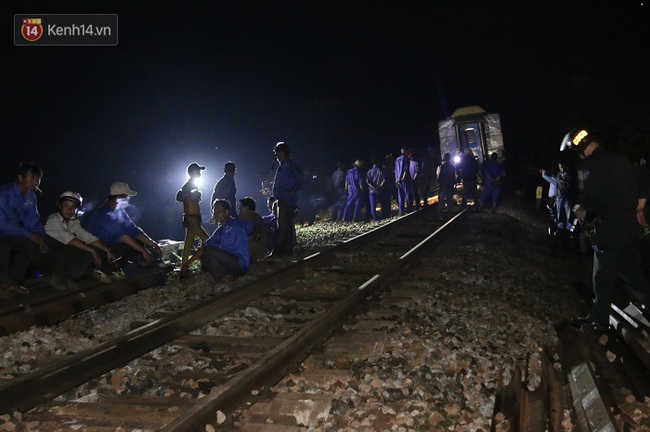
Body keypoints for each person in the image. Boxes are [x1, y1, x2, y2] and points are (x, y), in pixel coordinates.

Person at [568, 129, 649, 331]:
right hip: (631, 228)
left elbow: (588, 201)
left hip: (610, 230)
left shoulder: (586, 166)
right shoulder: (622, 160)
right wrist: (639, 208)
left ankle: (598, 318)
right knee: (631, 273)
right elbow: (643, 183)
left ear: (581, 150)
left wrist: (579, 209)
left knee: (601, 275)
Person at [33, 192, 116, 289]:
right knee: (76, 247)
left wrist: (106, 250)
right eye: (66, 206)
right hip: (44, 259)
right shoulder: (53, 220)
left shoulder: (73, 222)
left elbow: (87, 237)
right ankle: (54, 277)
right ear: (60, 206)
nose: (69, 209)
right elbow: (68, 239)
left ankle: (67, 277)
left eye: (73, 207)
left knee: (86, 247)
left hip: (57, 256)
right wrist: (92, 251)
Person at [86, 182, 163, 274]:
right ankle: (104, 270)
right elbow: (122, 236)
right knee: (133, 246)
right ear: (118, 197)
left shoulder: (119, 211)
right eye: (126, 197)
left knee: (137, 243)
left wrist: (153, 244)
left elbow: (133, 229)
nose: (128, 199)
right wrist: (144, 251)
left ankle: (142, 266)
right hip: (98, 249)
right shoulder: (104, 213)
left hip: (111, 246)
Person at [0, 163, 48, 296]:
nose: (36, 182)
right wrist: (29, 234)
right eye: (31, 178)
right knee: (3, 247)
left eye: (38, 178)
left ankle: (11, 281)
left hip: (8, 233)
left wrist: (40, 238)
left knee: (28, 245)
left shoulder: (30, 197)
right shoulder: (4, 193)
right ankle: (2, 285)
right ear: (20, 178)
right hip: (3, 230)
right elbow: (2, 223)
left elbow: (32, 221)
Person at [179, 199, 256, 282]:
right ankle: (227, 276)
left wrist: (257, 232)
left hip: (240, 264)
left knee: (208, 250)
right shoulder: (219, 232)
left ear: (226, 212)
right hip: (229, 263)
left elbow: (254, 225)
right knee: (204, 257)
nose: (215, 214)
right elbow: (205, 247)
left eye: (218, 211)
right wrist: (187, 264)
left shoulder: (236, 223)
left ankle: (225, 276)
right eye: (214, 211)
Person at [271, 142, 304, 256]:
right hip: (283, 199)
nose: (278, 157)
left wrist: (293, 189)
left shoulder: (290, 166)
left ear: (285, 153)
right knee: (288, 224)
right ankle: (288, 249)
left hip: (287, 200)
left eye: (279, 154)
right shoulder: (284, 166)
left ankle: (278, 249)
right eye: (277, 154)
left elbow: (300, 179)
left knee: (283, 224)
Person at [176, 162, 209, 268]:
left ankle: (184, 268)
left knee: (188, 245)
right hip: (192, 218)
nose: (200, 173)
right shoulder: (189, 185)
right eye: (198, 171)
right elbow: (179, 196)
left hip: (191, 217)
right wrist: (192, 196)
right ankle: (208, 262)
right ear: (192, 172)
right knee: (208, 241)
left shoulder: (191, 184)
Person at [540, 161, 573, 234]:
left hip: (563, 196)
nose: (562, 168)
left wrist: (543, 172)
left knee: (566, 211)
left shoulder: (563, 177)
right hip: (558, 196)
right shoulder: (558, 176)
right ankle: (559, 226)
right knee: (559, 211)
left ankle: (567, 226)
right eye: (560, 167)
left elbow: (545, 176)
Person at [238, 196, 267, 262]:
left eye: (242, 206)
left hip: (250, 251)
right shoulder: (257, 217)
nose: (240, 208)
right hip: (261, 250)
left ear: (247, 207)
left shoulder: (246, 217)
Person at [394, 147, 413, 215]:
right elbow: (405, 170)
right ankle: (409, 209)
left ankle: (401, 211)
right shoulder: (406, 159)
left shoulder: (396, 160)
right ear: (405, 152)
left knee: (400, 196)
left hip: (398, 180)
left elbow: (395, 171)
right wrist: (403, 178)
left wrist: (397, 179)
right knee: (408, 194)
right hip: (405, 179)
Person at [381, 154, 396, 218]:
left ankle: (385, 213)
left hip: (385, 186)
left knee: (384, 201)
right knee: (387, 200)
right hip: (390, 185)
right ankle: (387, 214)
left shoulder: (383, 168)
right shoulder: (392, 168)